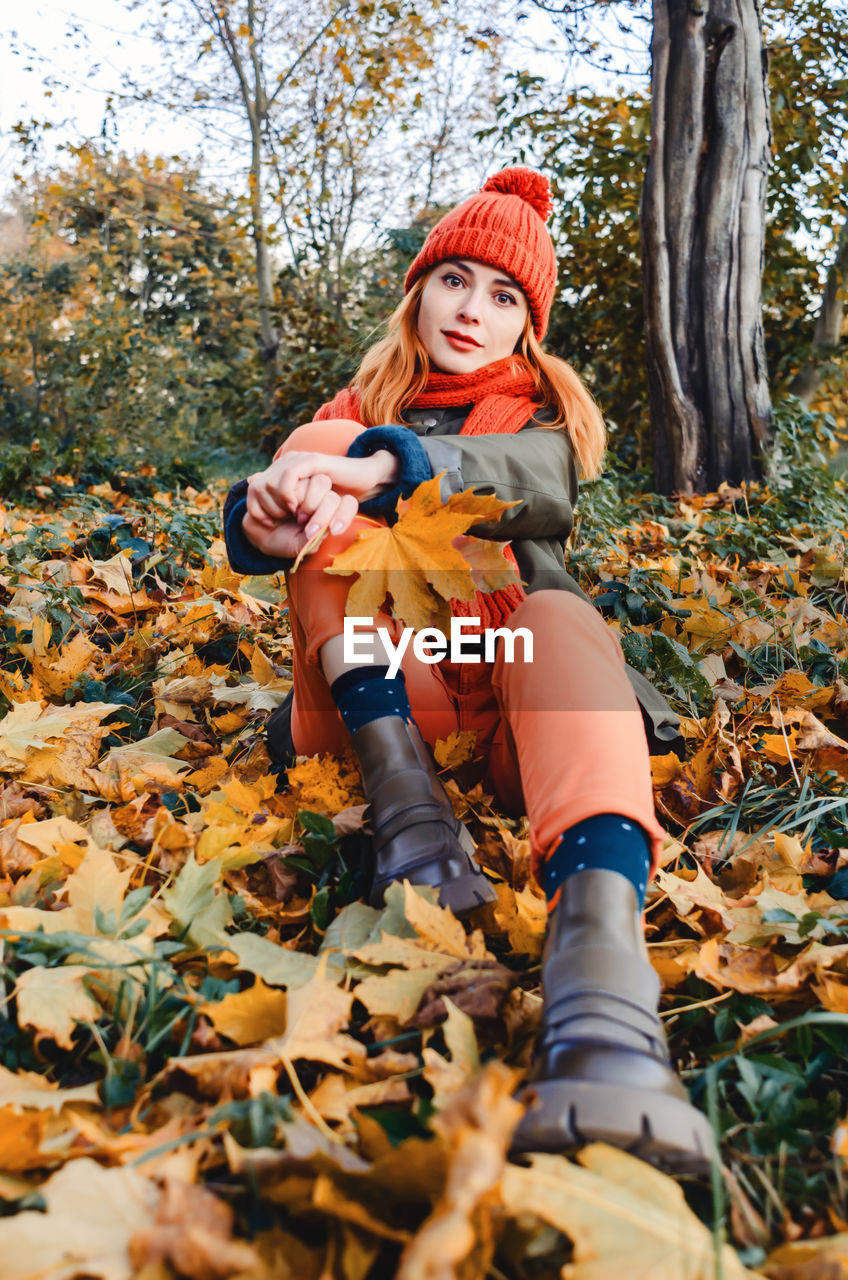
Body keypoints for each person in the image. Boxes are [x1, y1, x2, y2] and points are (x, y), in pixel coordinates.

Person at [223, 168, 714, 1172]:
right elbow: (278, 503)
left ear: (526, 328)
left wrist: (380, 469)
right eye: (454, 279)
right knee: (319, 438)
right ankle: (409, 824)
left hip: (502, 712)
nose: (472, 310)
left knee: (560, 617)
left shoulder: (540, 428)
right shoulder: (348, 408)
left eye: (503, 297)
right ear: (417, 291)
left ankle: (602, 988)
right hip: (376, 707)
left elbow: (535, 489)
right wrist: (263, 515)